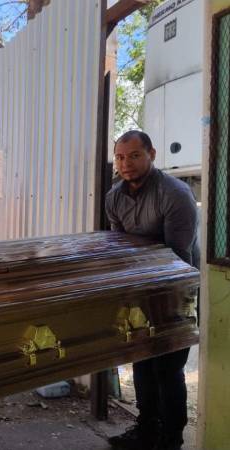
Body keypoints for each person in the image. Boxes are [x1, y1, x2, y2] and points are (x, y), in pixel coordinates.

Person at [105, 130, 199, 450]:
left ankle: (171, 439)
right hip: (139, 290)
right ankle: (145, 430)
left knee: (168, 368)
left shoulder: (175, 194)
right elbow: (119, 246)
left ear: (152, 154)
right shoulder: (114, 197)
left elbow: (177, 256)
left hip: (177, 290)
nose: (126, 164)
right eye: (120, 157)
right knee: (141, 360)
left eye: (134, 156)